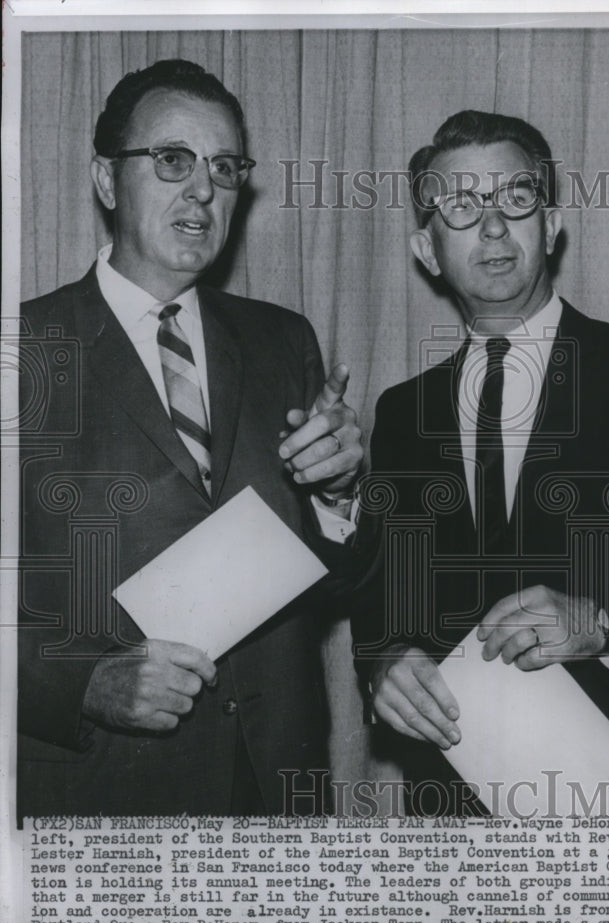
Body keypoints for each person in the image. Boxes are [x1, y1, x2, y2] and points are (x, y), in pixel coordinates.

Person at [18, 59, 362, 817]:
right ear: (107, 180)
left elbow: (332, 584)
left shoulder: (282, 342)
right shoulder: (22, 352)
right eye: (172, 160)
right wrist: (78, 685)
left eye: (224, 167)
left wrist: (337, 497)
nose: (202, 190)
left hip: (277, 791)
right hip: (99, 796)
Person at [351, 110, 609, 814]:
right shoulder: (401, 415)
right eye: (461, 205)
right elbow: (382, 596)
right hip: (456, 805)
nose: (492, 226)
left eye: (514, 197)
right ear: (426, 251)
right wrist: (381, 662)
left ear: (549, 225)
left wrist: (607, 629)